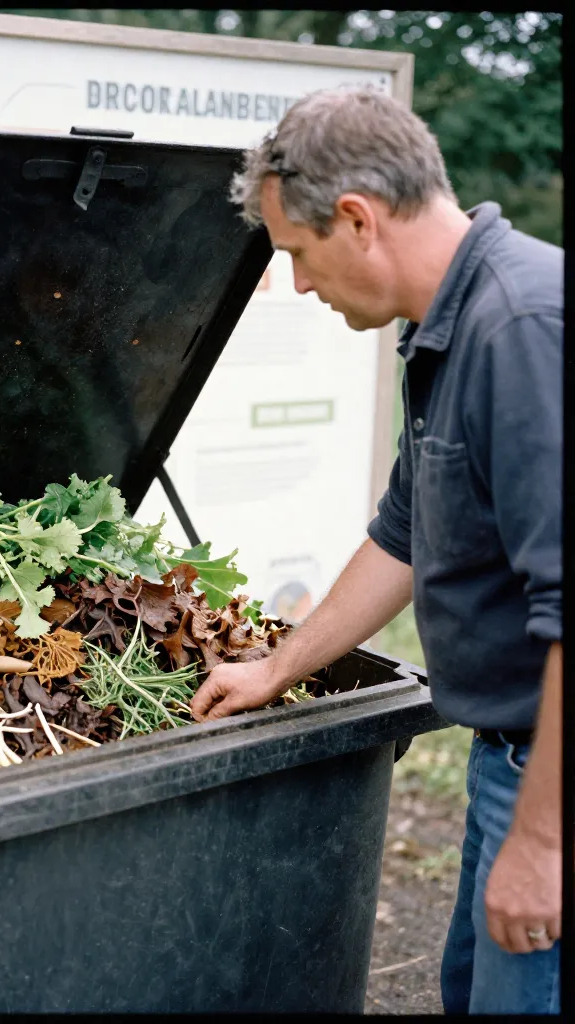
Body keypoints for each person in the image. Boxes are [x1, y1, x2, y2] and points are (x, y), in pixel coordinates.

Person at [190, 86, 562, 1015]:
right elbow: (404, 533)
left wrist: (545, 844)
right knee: (472, 991)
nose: (302, 285)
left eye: (299, 255)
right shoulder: (451, 327)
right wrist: (279, 666)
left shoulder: (522, 329)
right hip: (508, 755)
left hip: (549, 775)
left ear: (355, 218)